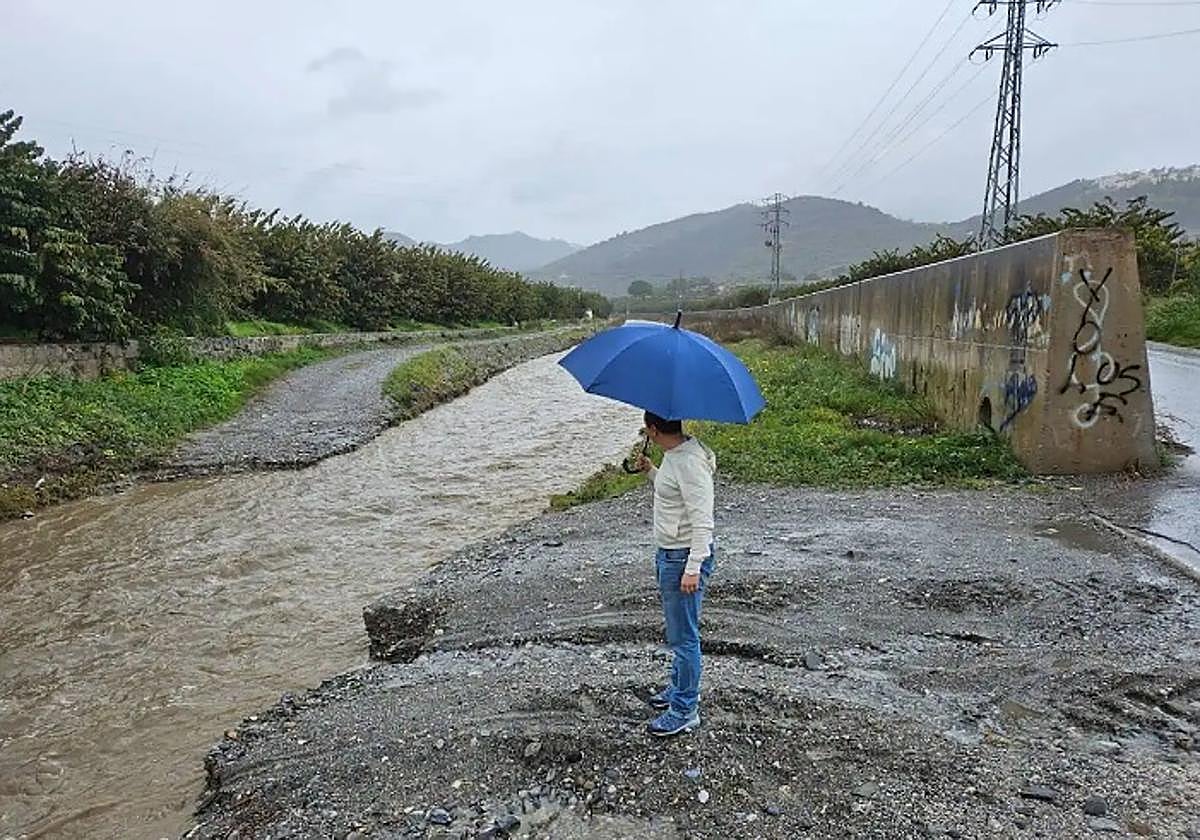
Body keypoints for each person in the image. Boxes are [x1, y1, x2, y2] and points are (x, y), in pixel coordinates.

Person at [635, 410, 716, 737]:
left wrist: (693, 567)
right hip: (671, 553)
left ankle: (684, 709)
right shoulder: (675, 454)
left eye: (645, 428)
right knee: (679, 633)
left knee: (684, 639)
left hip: (682, 558)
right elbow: (674, 493)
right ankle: (679, 689)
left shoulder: (689, 462)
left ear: (653, 429)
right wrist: (652, 472)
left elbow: (703, 520)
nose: (644, 433)